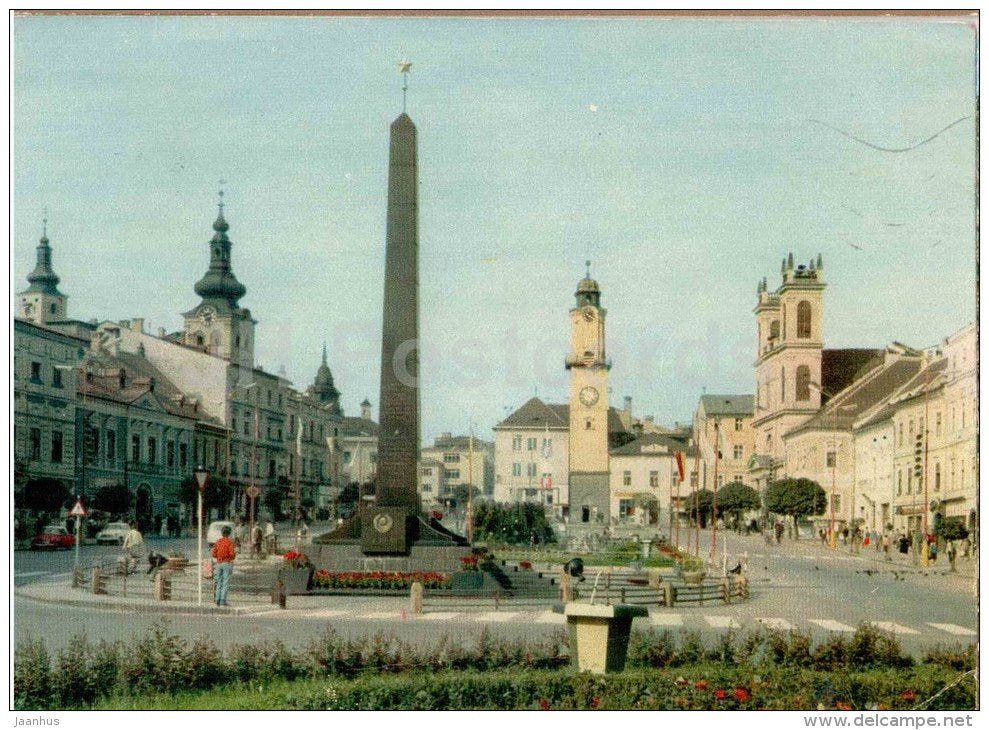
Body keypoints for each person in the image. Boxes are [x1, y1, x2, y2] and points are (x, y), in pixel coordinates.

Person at [211, 524, 236, 606]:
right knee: (225, 582)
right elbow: (232, 554)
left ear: (222, 533)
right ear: (229, 534)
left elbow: (214, 554)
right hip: (226, 563)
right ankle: (222, 600)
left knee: (219, 582)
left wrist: (218, 556)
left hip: (218, 563)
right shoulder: (230, 542)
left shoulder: (218, 541)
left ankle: (217, 600)